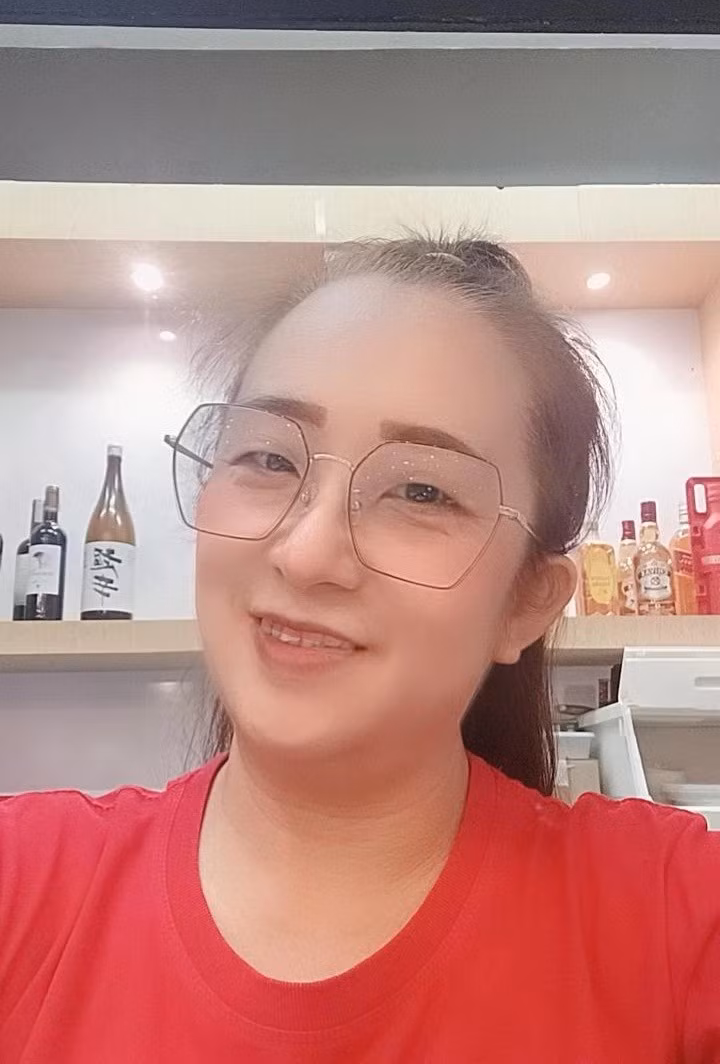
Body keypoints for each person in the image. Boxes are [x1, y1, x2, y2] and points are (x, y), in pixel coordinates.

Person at [1, 233, 718, 1064]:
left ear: (525, 602)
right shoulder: (24, 883)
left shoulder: (672, 921)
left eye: (421, 490)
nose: (305, 553)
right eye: (269, 457)